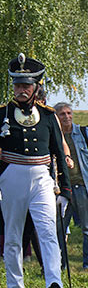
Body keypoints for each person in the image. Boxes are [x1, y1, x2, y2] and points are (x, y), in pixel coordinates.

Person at [0, 54, 69, 288]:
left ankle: (54, 282)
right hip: (12, 177)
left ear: (36, 86)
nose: (21, 89)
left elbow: (58, 155)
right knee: (13, 236)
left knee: (48, 231)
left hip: (42, 178)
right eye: (17, 84)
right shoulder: (2, 114)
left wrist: (65, 190)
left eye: (26, 85)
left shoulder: (49, 115)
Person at [54, 101, 88, 271]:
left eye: (69, 113)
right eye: (62, 114)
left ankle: (87, 264)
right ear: (56, 117)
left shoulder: (83, 133)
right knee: (58, 229)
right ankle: (60, 265)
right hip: (61, 190)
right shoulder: (53, 137)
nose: (66, 116)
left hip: (82, 187)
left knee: (87, 228)